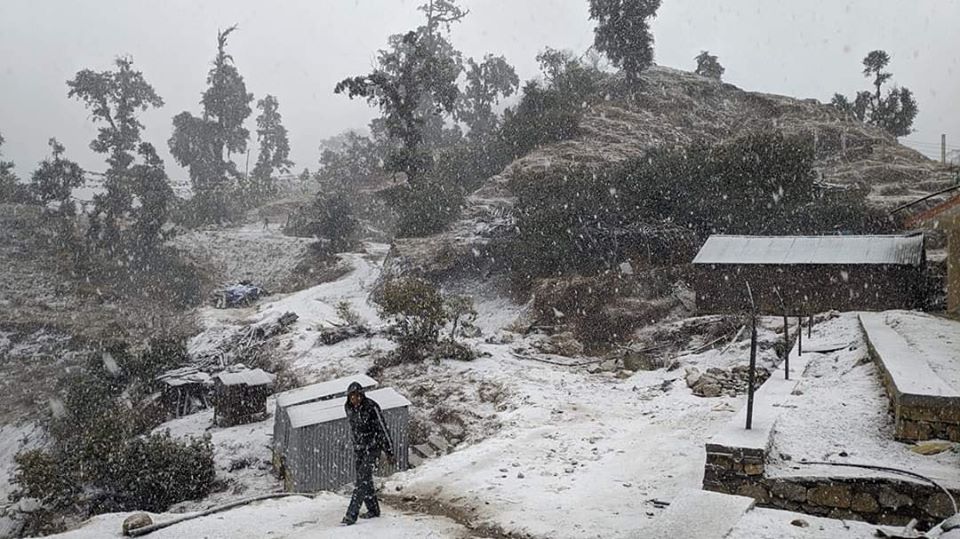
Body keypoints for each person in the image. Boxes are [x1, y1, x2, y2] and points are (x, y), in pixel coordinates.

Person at [342, 381, 395, 525]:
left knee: (362, 480)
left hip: (373, 448)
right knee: (365, 480)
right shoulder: (348, 408)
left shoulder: (371, 407)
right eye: (352, 397)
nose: (355, 399)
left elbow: (382, 429)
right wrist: (356, 445)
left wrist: (389, 451)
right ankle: (373, 510)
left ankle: (351, 515)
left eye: (358, 396)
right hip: (359, 449)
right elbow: (354, 429)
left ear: (362, 395)